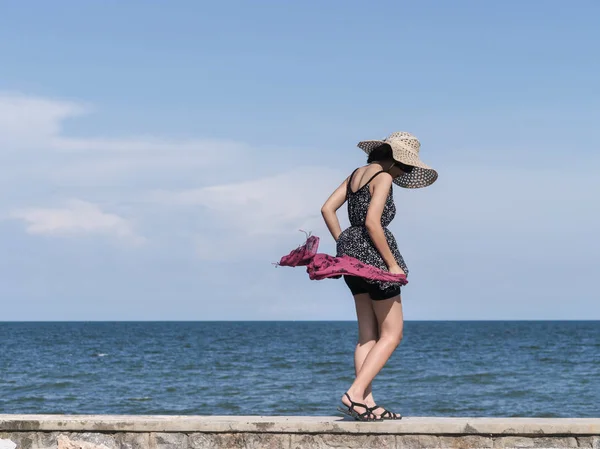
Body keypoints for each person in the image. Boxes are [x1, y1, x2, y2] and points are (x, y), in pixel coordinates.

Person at [320, 131, 438, 421]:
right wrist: (392, 264)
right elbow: (373, 222)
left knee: (367, 337)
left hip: (350, 259)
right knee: (392, 334)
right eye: (405, 168)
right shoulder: (383, 177)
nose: (401, 174)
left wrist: (345, 244)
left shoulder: (356, 174)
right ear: (398, 161)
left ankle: (365, 404)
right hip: (375, 258)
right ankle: (355, 393)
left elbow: (327, 209)